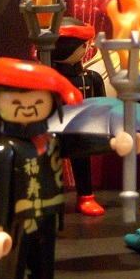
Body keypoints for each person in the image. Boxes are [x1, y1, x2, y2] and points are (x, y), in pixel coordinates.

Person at [0, 57, 136, 279]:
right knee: (11, 266)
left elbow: (81, 144)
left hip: (48, 216)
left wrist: (114, 142)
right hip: (16, 221)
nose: (28, 109)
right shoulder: (3, 151)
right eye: (16, 102)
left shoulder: (51, 141)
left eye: (38, 102)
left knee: (44, 263)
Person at [52, 17, 108, 216]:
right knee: (50, 165)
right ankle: (51, 200)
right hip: (53, 131)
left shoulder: (90, 78)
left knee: (82, 162)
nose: (86, 48)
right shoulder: (47, 78)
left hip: (80, 130)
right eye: (83, 44)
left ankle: (86, 197)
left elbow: (102, 106)